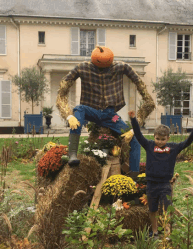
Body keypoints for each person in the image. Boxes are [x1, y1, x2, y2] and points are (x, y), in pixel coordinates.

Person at [56, 46, 155, 178]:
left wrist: (133, 130)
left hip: (110, 115)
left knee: (135, 138)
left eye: (105, 67)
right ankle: (72, 154)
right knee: (78, 109)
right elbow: (61, 93)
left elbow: (148, 101)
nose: (102, 70)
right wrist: (69, 116)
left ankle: (134, 177)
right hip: (91, 110)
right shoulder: (82, 68)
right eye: (98, 67)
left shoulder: (122, 67)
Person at [128, 110, 193, 237]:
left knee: (167, 209)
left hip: (165, 184)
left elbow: (187, 142)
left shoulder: (173, 148)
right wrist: (133, 119)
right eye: (157, 139)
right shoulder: (149, 145)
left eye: (163, 139)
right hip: (151, 183)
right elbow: (139, 135)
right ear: (154, 137)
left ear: (168, 138)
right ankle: (155, 231)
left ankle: (167, 232)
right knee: (152, 209)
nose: (160, 142)